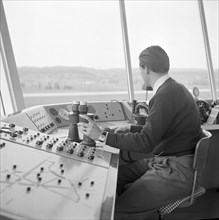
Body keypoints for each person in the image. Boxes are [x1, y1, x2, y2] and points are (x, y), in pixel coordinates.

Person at [80, 45, 202, 220]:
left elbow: (146, 143)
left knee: (118, 212)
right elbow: (165, 129)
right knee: (115, 177)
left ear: (146, 68)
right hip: (173, 162)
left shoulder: (165, 95)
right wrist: (132, 128)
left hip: (178, 171)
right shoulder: (175, 88)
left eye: (140, 69)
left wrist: (102, 136)